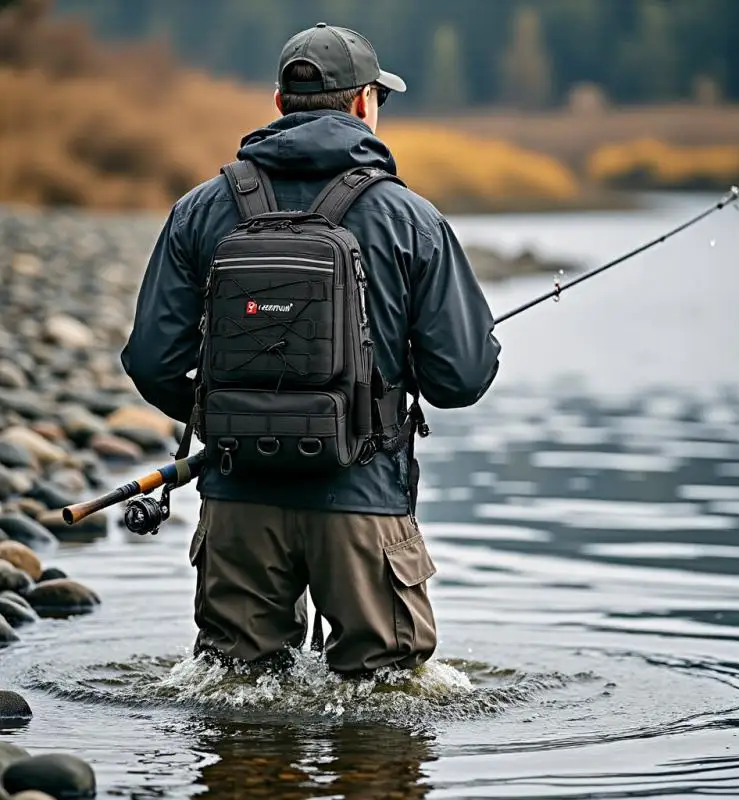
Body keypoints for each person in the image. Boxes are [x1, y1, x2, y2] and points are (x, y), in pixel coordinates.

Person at [121, 23, 501, 676]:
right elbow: (460, 379)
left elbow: (152, 361)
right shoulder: (412, 220)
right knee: (385, 710)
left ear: (277, 104)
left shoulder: (199, 210)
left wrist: (233, 418)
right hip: (363, 502)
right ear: (363, 105)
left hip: (239, 503)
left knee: (234, 698)